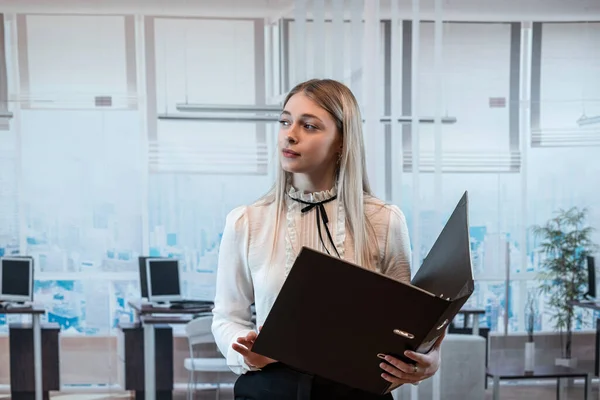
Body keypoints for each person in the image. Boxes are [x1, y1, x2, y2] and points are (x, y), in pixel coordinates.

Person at [211, 79, 444, 400]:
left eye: (309, 125)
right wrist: (245, 351)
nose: (290, 133)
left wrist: (427, 361)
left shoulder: (384, 220)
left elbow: (405, 328)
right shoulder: (246, 221)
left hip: (357, 392)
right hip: (271, 388)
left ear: (342, 142)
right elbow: (227, 316)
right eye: (284, 121)